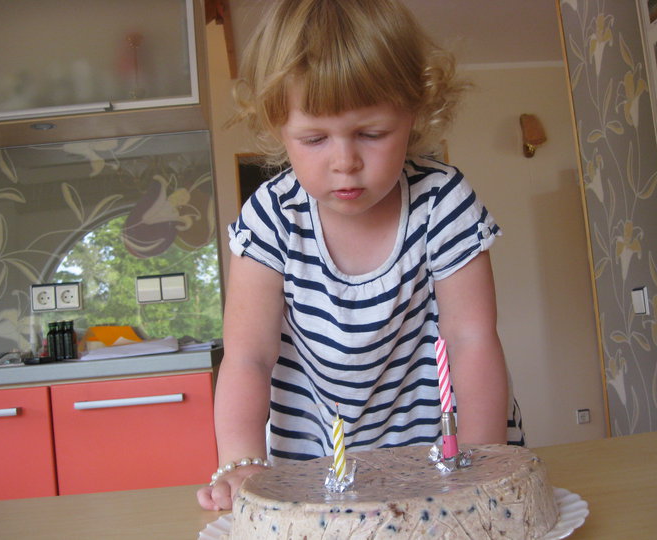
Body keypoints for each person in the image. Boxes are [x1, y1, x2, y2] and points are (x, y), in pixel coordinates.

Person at [197, 0, 523, 512]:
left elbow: (471, 339)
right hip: (314, 466)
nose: (345, 162)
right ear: (277, 128)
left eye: (371, 134)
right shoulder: (270, 217)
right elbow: (247, 358)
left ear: (414, 113)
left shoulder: (443, 202)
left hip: (442, 453)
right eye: (314, 138)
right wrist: (241, 461)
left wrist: (481, 458)